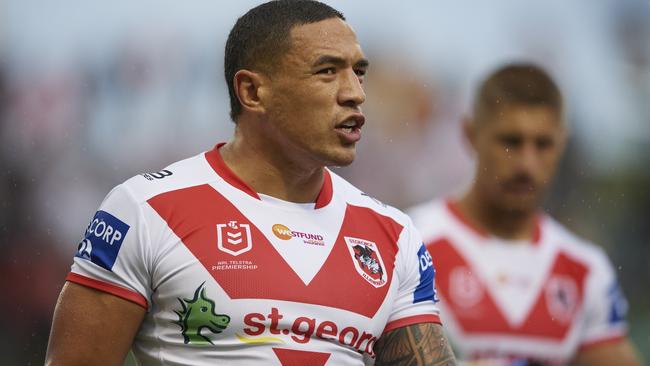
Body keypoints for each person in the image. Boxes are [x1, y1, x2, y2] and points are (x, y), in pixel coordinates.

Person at [45, 1, 456, 365]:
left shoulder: (393, 235)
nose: (355, 93)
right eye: (327, 71)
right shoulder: (146, 209)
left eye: (359, 72)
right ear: (253, 91)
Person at [408, 64, 642, 365]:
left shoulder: (585, 270)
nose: (526, 165)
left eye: (543, 144)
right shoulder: (409, 242)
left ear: (562, 143)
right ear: (471, 134)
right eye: (511, 142)